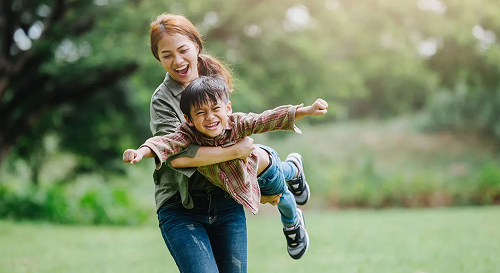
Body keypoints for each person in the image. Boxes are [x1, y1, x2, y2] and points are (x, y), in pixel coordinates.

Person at [132, 13, 310, 272]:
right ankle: (291, 172)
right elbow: (178, 154)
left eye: (183, 50)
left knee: (260, 159)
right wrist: (235, 151)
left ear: (196, 46)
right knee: (252, 153)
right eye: (167, 55)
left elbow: (246, 123)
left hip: (226, 197)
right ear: (158, 58)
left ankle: (291, 179)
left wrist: (297, 113)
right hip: (183, 204)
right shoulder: (163, 100)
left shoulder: (213, 78)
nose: (178, 61)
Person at [123, 76, 329, 259]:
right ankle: (292, 169)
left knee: (281, 196)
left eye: (215, 109)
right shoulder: (187, 135)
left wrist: (307, 110)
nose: (210, 117)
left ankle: (293, 218)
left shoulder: (238, 123)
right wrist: (140, 152)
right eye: (201, 113)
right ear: (189, 119)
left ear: (228, 108)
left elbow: (267, 119)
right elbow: (165, 143)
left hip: (262, 169)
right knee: (280, 188)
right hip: (243, 176)